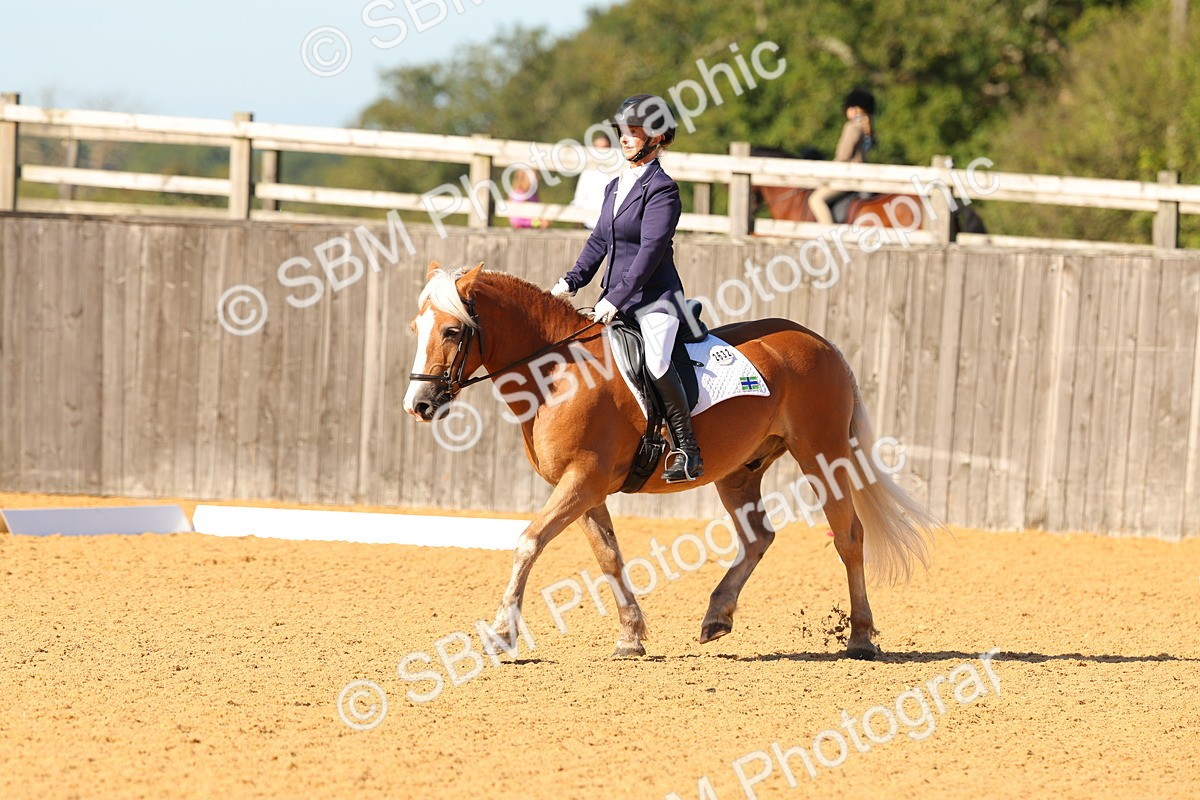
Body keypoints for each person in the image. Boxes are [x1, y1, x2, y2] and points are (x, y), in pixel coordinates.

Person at [549, 94, 703, 483]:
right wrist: (570, 281)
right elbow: (599, 241)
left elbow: (650, 252)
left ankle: (688, 450)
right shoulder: (615, 186)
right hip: (614, 302)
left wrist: (615, 298)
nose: (625, 138)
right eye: (623, 132)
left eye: (634, 132)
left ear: (658, 138)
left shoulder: (663, 190)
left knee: (656, 361)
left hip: (656, 303)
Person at [808, 87, 876, 224]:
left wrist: (829, 170)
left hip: (847, 176)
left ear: (855, 109)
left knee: (815, 200)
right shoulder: (867, 128)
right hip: (862, 175)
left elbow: (843, 156)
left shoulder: (852, 127)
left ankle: (828, 234)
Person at [569, 133, 617, 229]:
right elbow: (580, 196)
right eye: (597, 148)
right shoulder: (588, 171)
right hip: (589, 224)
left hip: (610, 225)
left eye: (604, 148)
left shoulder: (617, 172)